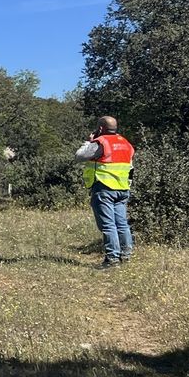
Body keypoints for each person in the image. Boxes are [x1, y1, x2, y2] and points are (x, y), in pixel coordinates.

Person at [75, 115, 134, 268]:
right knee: (122, 224)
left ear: (101, 128)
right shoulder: (126, 143)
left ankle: (112, 259)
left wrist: (89, 141)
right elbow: (130, 167)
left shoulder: (101, 142)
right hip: (122, 189)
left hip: (104, 187)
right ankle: (126, 256)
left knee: (108, 225)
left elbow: (79, 156)